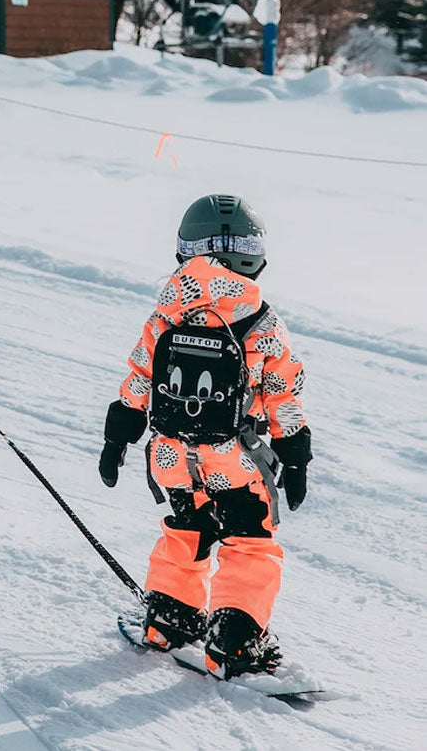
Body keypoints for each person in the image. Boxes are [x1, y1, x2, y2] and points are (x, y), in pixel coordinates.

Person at [98, 195, 312, 678]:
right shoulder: (262, 323)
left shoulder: (167, 315)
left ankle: (169, 619)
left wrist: (118, 440)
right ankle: (236, 640)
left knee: (187, 528)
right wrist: (294, 458)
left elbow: (138, 379)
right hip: (233, 457)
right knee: (249, 541)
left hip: (170, 454)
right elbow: (284, 394)